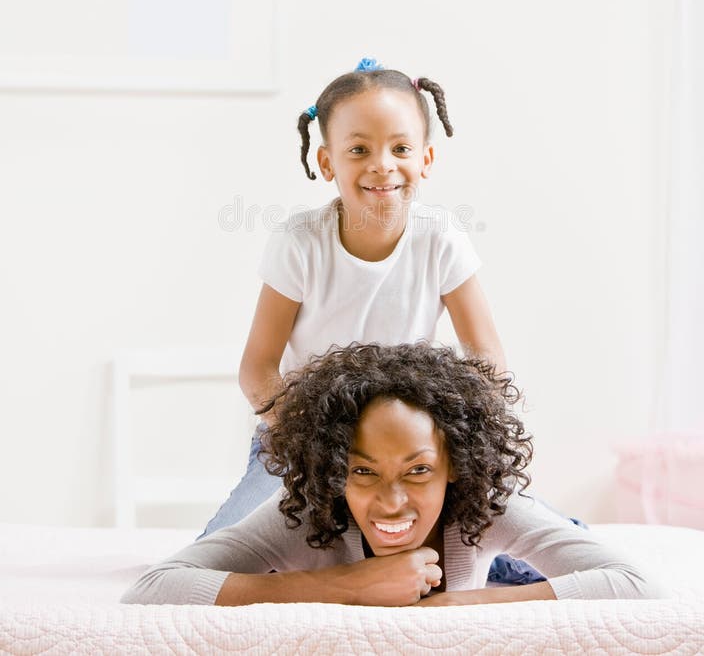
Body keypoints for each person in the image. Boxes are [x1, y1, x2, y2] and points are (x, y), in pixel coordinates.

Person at [201, 57, 504, 536]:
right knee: (220, 553)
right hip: (305, 439)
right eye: (359, 149)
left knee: (506, 533)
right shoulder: (300, 243)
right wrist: (317, 442)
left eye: (400, 147)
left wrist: (455, 446)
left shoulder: (441, 238)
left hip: (409, 447)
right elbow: (257, 370)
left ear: (425, 157)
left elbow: (488, 360)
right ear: (327, 162)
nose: (382, 165)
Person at [122, 343, 665, 606]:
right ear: (337, 468)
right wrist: (347, 585)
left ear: (454, 464)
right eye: (363, 471)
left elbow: (638, 586)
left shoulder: (483, 504)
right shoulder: (310, 512)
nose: (391, 501)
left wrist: (457, 607)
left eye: (418, 471)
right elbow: (152, 589)